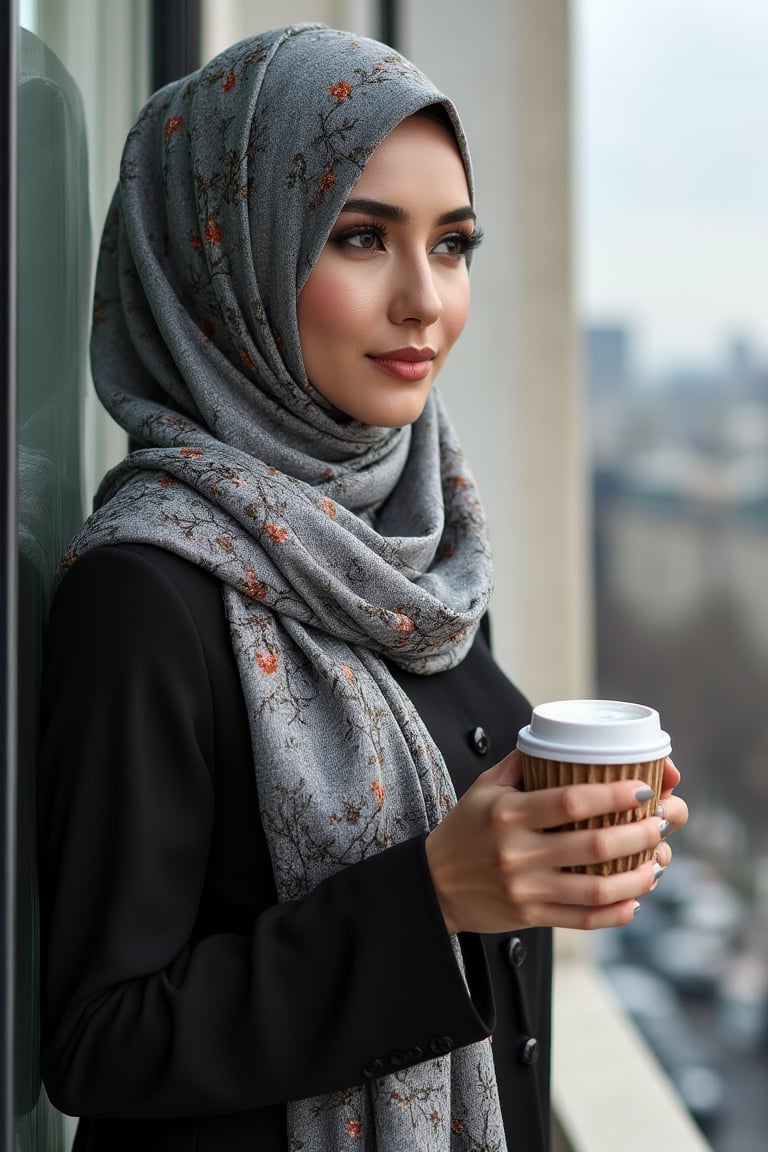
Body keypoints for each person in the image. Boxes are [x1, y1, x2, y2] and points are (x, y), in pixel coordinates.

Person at [37, 23, 687, 1152]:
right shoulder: (146, 592)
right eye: (357, 237)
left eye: (453, 244)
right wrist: (432, 899)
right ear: (224, 257)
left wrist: (549, 840)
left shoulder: (414, 538)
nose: (424, 300)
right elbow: (104, 1039)